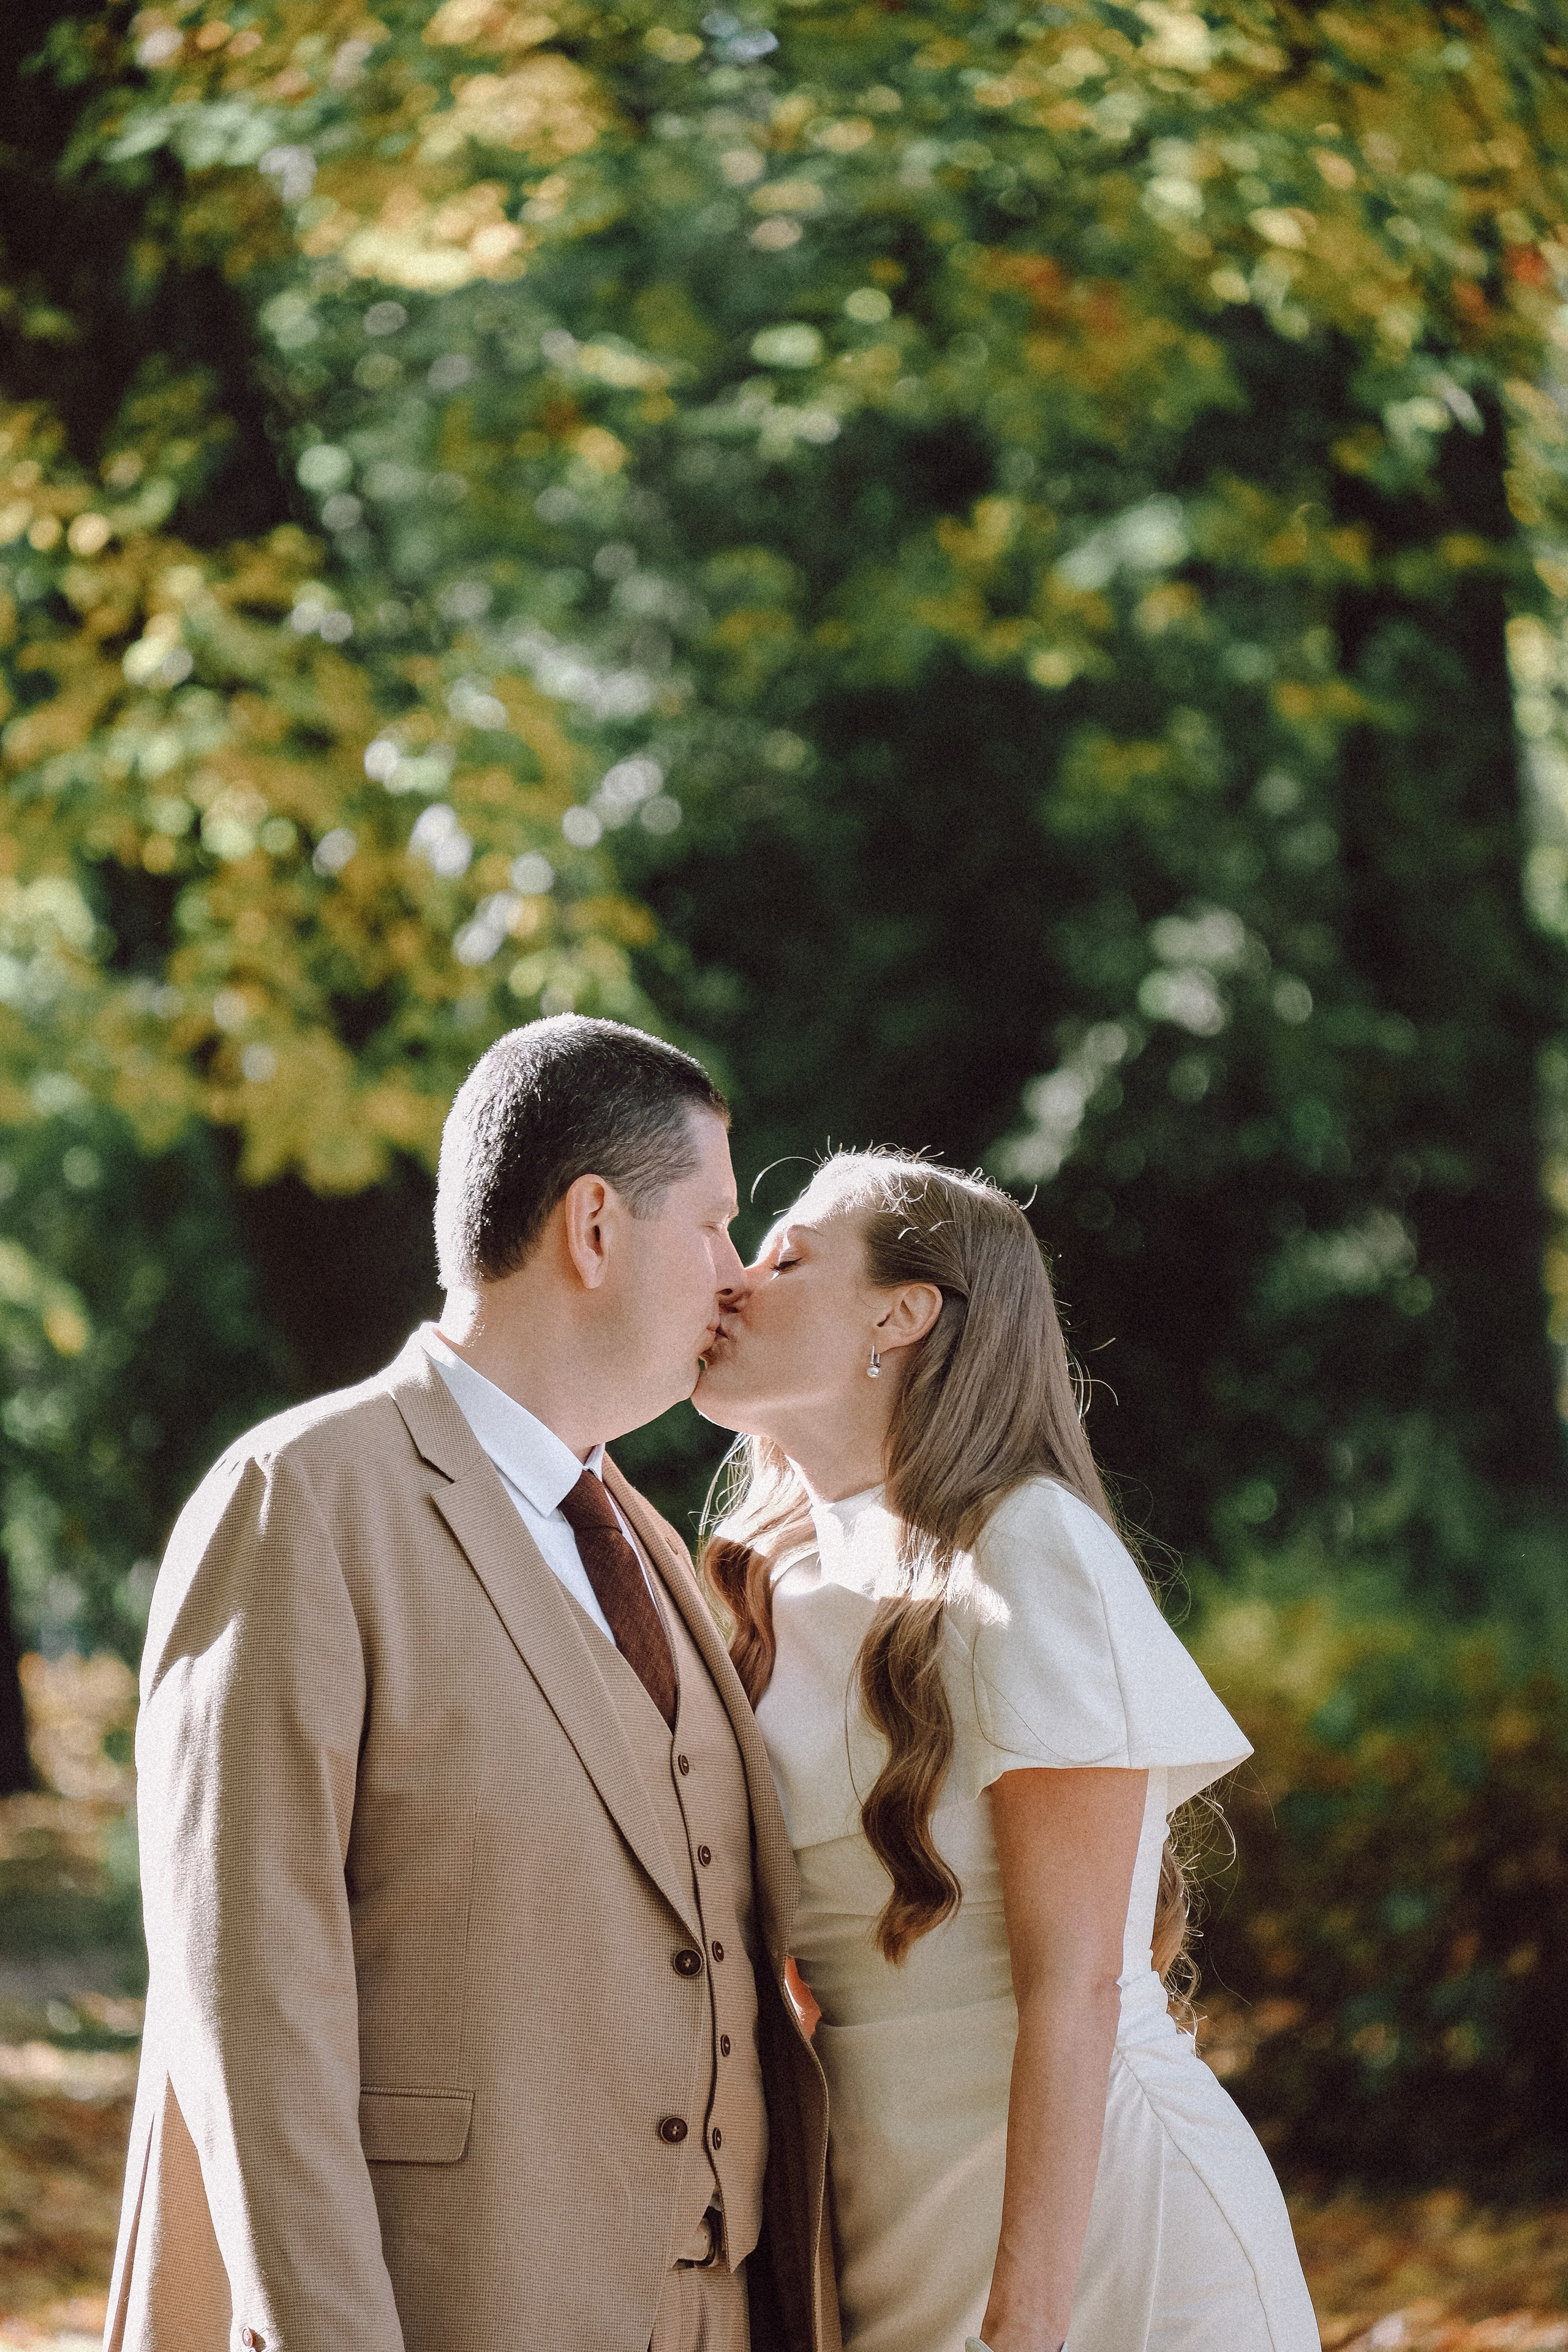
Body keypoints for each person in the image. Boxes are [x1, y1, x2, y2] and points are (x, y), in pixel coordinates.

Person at [105, 1016, 839, 2352]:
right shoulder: (301, 1501)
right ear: (595, 1227)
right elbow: (248, 2013)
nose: (735, 1277)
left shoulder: (647, 1539)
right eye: (716, 1227)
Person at [692, 1150, 1320, 2352]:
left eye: (784, 1257)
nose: (734, 1284)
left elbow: (1074, 1983)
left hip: (1104, 2249)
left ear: (901, 1310)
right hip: (888, 2233)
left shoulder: (1026, 1548)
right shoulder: (760, 1595)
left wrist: (1021, 2323)